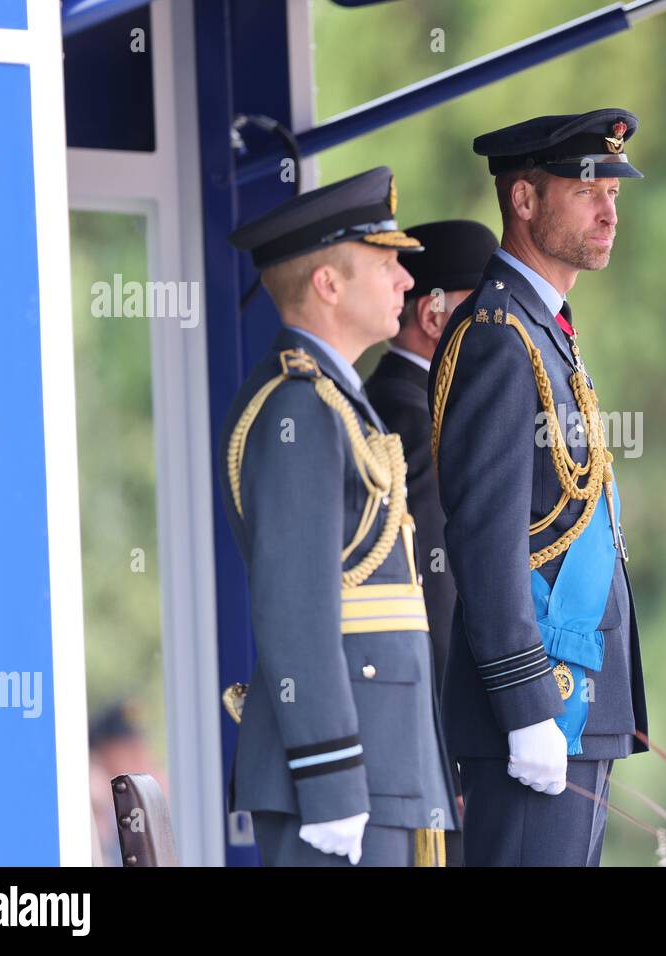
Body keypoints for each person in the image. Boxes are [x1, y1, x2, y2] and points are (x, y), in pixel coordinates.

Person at [427, 109, 650, 866]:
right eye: (588, 188)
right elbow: (483, 536)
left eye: (614, 192)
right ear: (523, 201)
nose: (609, 210)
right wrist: (527, 709)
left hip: (577, 696)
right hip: (540, 704)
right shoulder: (497, 333)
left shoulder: (542, 327)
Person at [218, 166, 459, 866]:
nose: (407, 283)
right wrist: (330, 777)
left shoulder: (332, 402)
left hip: (382, 764)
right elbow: (295, 606)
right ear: (327, 284)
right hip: (341, 776)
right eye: (387, 264)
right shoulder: (299, 407)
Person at [364, 219, 498, 867]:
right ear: (433, 314)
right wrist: (458, 752)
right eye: (485, 317)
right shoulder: (411, 416)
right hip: (431, 749)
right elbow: (433, 597)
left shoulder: (411, 405)